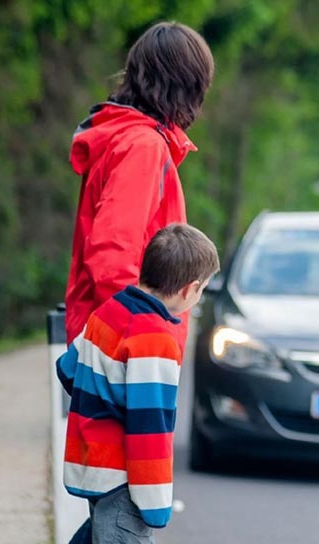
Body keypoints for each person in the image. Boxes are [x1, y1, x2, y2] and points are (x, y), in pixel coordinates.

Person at [56, 224, 220, 544]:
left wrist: (102, 403)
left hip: (95, 466)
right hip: (125, 481)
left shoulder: (110, 311)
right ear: (189, 290)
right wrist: (155, 502)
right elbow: (150, 427)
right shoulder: (155, 340)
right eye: (202, 290)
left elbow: (69, 368)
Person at [65, 21, 214, 347]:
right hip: (126, 347)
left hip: (112, 339)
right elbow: (112, 256)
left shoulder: (127, 138)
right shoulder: (142, 146)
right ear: (187, 86)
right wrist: (144, 340)